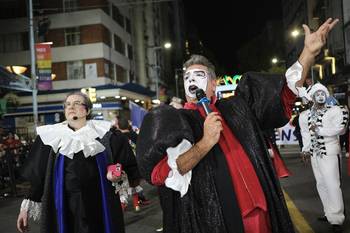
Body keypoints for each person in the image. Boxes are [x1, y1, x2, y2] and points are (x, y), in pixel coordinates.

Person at [136, 18, 339, 233]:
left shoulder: (238, 107)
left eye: (198, 75)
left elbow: (284, 94)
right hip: (217, 222)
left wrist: (308, 53)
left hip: (261, 215)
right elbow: (160, 173)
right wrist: (204, 143)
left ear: (214, 83)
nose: (191, 80)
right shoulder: (176, 121)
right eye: (187, 76)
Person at [16, 91, 140, 233]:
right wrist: (25, 209)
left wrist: (119, 176)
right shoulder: (52, 138)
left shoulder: (108, 136)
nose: (70, 107)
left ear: (87, 110)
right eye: (67, 104)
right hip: (64, 204)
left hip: (99, 204)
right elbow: (39, 176)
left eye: (76, 103)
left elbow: (129, 168)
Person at [299, 83, 348, 233]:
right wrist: (305, 150)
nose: (320, 96)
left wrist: (320, 130)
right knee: (321, 184)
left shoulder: (336, 110)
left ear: (326, 95)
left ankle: (337, 219)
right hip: (315, 154)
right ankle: (329, 213)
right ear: (312, 97)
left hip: (330, 152)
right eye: (317, 94)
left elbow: (341, 129)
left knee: (332, 184)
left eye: (323, 93)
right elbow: (306, 134)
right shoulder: (305, 115)